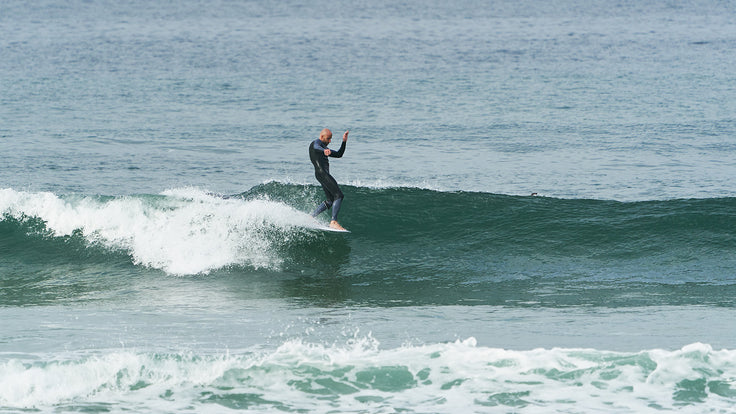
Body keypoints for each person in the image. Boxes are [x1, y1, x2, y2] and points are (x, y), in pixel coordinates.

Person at [309, 128, 349, 230]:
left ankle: (311, 217)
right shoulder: (317, 143)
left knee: (330, 200)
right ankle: (333, 221)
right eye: (328, 138)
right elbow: (316, 146)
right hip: (322, 173)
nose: (330, 141)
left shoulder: (324, 149)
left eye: (331, 139)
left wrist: (344, 142)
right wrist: (324, 150)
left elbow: (339, 154)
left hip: (321, 174)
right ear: (322, 137)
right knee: (339, 195)